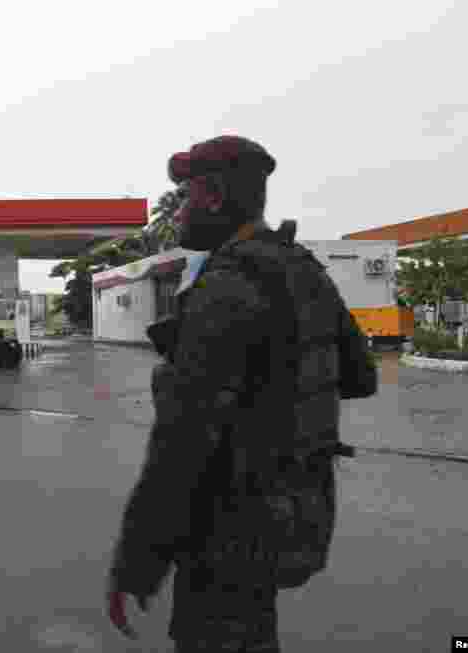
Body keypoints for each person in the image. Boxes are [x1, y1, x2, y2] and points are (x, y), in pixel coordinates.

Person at [106, 136, 378, 652]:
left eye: (185, 197)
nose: (180, 211)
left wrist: (136, 563)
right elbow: (360, 377)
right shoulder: (299, 268)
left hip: (226, 529)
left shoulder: (228, 285)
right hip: (295, 513)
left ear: (210, 196)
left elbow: (180, 447)